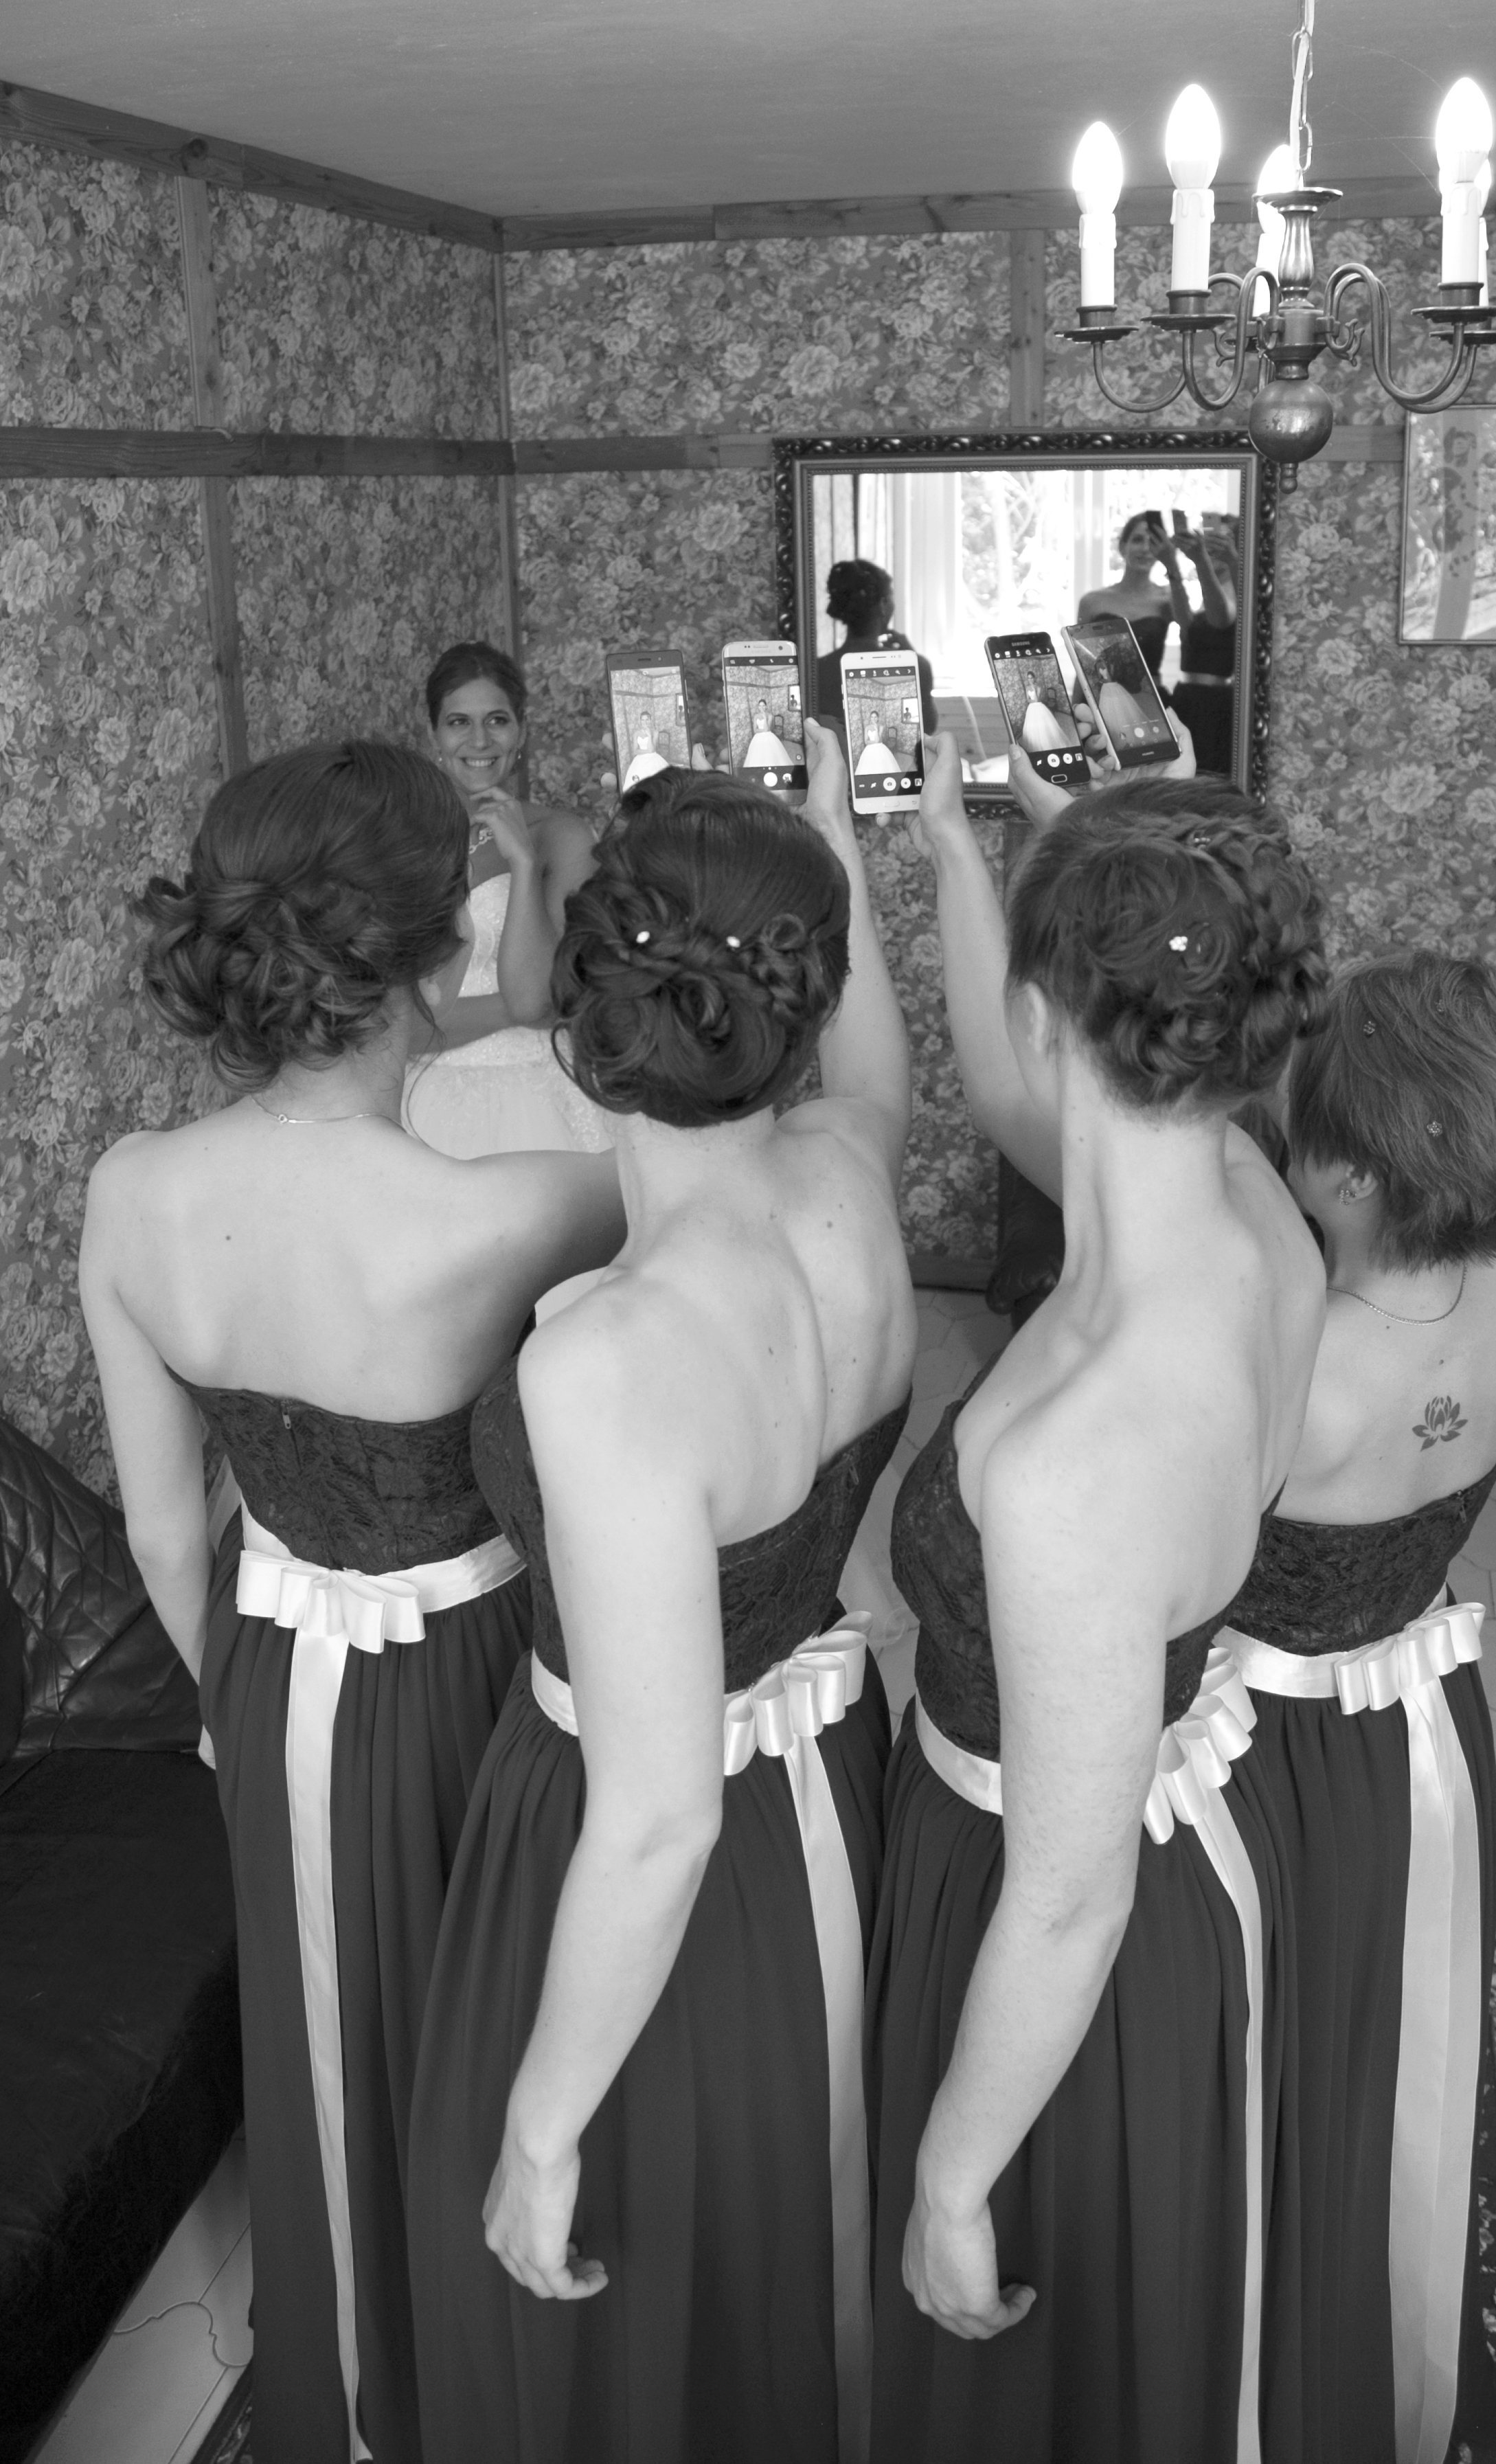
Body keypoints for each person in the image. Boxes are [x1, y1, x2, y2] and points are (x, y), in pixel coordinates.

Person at [79, 741, 628, 2464]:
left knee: (328, 2035)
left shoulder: (132, 1191)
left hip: (265, 1664)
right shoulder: (511, 1211)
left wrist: (232, 1704)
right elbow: (722, 1164)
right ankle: (509, 2369)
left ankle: (364, 2392)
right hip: (470, 1667)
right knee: (497, 2017)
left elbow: (163, 1528)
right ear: (441, 937)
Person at [408, 723, 917, 2464]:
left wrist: (542, 2124)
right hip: (835, 1781)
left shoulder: (611, 1360)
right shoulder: (857, 1169)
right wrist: (832, 835)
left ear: (578, 1008)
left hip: (655, 1846)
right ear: (800, 999)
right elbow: (876, 1054)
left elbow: (656, 1818)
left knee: (639, 2284)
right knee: (788, 2223)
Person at [869, 738, 1330, 2464]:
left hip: (1053, 1917)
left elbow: (1064, 1903)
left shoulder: (1082, 1456)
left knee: (1033, 2397)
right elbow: (1028, 1099)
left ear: (1054, 1011)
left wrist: (950, 2176)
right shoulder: (1254, 1212)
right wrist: (965, 853)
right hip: (1147, 1831)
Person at [1212, 953, 1496, 2464]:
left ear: (1350, 1170)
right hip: (1421, 1727)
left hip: (1254, 1752)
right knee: (1380, 2041)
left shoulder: (1288, 1359)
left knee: (1250, 2058)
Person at [406, 642, 610, 1158]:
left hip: (541, 1094)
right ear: (433, 734)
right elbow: (395, 1022)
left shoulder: (562, 836)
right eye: (459, 722)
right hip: (418, 1095)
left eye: (497, 720)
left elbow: (555, 998)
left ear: (520, 732)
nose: (479, 740)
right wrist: (522, 1008)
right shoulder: (400, 844)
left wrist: (522, 862)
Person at [814, 558, 938, 736]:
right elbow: (927, 729)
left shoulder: (816, 671)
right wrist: (912, 661)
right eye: (891, 596)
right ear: (883, 605)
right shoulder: (916, 667)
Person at [1167, 523, 1240, 776]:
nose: (1211, 548)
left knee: (1207, 775)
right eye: (1208, 542)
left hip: (1214, 705)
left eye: (1221, 541)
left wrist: (1201, 562)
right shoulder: (1208, 593)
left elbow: (1221, 619)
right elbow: (1184, 624)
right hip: (1188, 698)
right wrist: (1171, 564)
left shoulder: (1238, 591)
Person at [1076, 512, 1177, 681]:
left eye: (1153, 542)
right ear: (1123, 547)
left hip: (1152, 694)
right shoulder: (1092, 602)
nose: (1145, 549)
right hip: (1104, 693)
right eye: (1138, 540)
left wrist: (1172, 564)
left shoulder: (1167, 600)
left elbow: (1191, 633)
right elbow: (1084, 667)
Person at [1015, 671, 1079, 756]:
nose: (1030, 680)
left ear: (1034, 678)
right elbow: (1028, 700)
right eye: (1028, 678)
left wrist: (1034, 689)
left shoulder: (1038, 687)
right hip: (1031, 707)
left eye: (1031, 678)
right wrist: (1032, 699)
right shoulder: (1027, 688)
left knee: (1044, 725)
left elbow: (1037, 699)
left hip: (1039, 705)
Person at [620, 710, 670, 790]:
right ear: (640, 721)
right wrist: (648, 751)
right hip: (640, 759)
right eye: (643, 720)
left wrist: (649, 736)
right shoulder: (636, 734)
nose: (645, 722)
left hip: (653, 758)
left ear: (650, 720)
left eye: (647, 720)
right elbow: (635, 751)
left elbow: (652, 749)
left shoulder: (655, 732)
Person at [743, 696, 794, 767]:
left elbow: (767, 728)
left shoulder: (770, 716)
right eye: (760, 706)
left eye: (763, 706)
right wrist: (763, 730)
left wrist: (764, 717)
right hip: (758, 737)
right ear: (758, 707)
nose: (762, 707)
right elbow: (755, 730)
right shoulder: (756, 716)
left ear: (766, 706)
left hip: (768, 736)